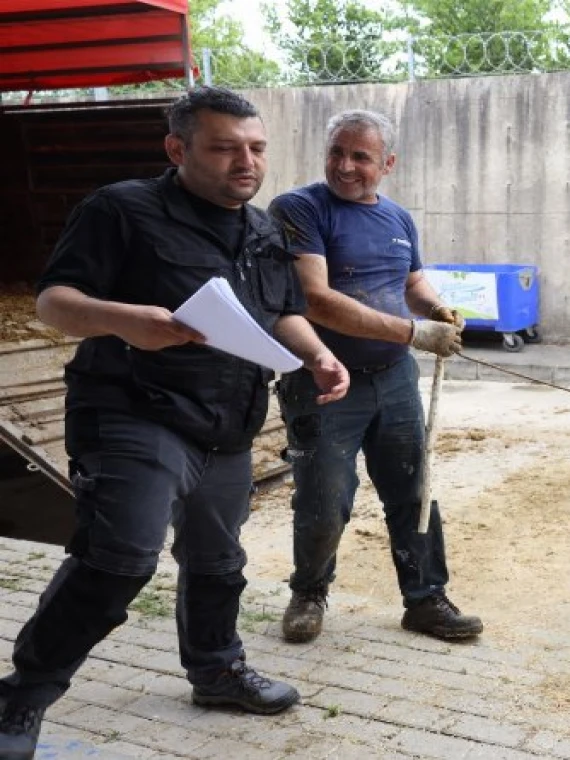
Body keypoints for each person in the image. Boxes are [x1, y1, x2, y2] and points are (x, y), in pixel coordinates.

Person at [0, 87, 350, 757]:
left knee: (219, 559)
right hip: (134, 407)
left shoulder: (263, 229)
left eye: (255, 148)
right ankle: (25, 693)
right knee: (122, 555)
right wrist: (127, 319)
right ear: (177, 148)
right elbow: (54, 302)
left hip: (229, 420)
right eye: (224, 149)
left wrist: (319, 354)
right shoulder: (121, 209)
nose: (245, 163)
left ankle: (217, 670)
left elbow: (279, 310)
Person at [268, 109, 482, 645]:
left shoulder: (399, 220)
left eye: (360, 157)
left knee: (414, 490)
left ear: (387, 164)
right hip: (322, 382)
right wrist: (413, 334)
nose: (345, 166)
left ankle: (425, 598)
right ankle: (309, 592)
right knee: (324, 497)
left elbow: (411, 283)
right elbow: (315, 298)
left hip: (393, 379)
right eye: (337, 152)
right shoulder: (298, 209)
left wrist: (436, 311)